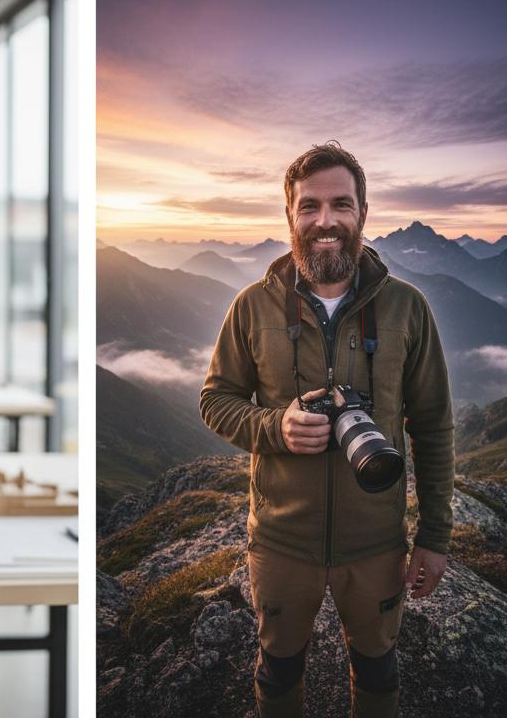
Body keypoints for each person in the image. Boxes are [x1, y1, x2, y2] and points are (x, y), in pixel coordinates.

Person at [200, 142, 454, 718]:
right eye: (309, 206)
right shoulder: (251, 307)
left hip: (377, 541)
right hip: (281, 540)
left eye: (341, 204)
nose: (325, 221)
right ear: (289, 214)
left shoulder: (406, 308)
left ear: (363, 211)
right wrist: (275, 427)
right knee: (279, 670)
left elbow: (435, 425)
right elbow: (215, 400)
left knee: (378, 668)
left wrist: (436, 536)